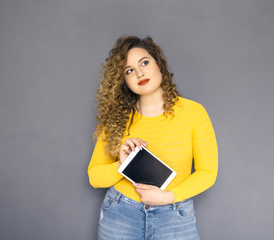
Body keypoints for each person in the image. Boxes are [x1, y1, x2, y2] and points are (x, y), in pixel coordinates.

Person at [88, 36, 218, 240]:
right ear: (124, 81)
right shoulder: (116, 119)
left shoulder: (194, 112)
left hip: (174, 214)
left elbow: (207, 172)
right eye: (129, 70)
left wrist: (168, 197)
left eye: (144, 62)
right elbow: (94, 177)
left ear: (159, 64)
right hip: (120, 215)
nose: (139, 73)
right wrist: (122, 164)